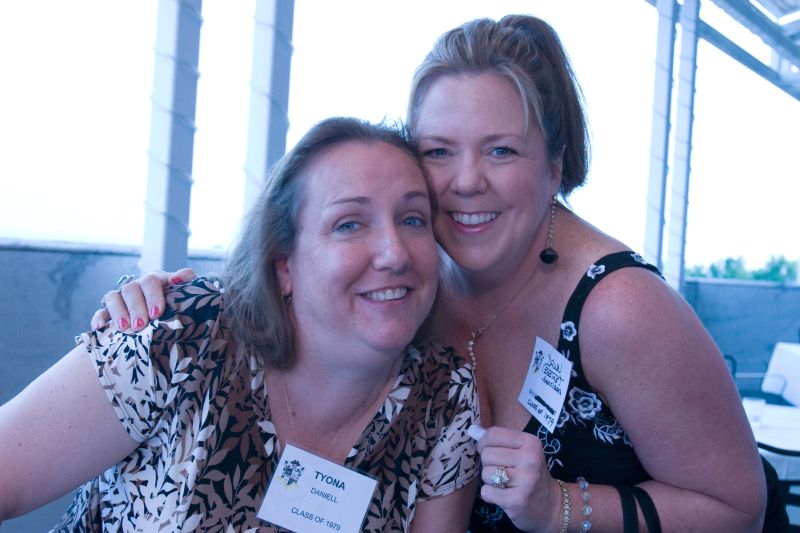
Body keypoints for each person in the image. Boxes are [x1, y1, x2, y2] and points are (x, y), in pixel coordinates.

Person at [90, 15, 768, 532]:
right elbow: (289, 288)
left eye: (501, 151)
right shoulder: (407, 281)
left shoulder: (619, 308)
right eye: (439, 152)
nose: (465, 182)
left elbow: (740, 507)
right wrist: (168, 303)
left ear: (556, 165)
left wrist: (561, 506)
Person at [0, 117, 481, 532]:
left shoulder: (443, 399)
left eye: (413, 219)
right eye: (349, 224)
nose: (395, 253)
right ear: (284, 265)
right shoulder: (181, 336)